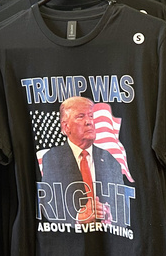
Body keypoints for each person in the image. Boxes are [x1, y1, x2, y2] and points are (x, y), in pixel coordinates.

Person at [40, 96, 124, 225]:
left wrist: (111, 216)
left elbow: (122, 209)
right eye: (81, 117)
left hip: (106, 234)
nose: (89, 122)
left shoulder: (110, 160)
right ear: (66, 126)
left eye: (91, 116)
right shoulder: (52, 158)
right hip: (70, 235)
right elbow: (49, 206)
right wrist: (78, 218)